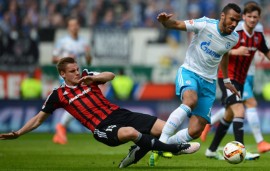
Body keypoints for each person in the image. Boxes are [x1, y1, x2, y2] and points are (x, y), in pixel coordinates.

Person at [0, 57, 200, 168]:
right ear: (62, 74)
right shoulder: (58, 95)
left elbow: (110, 75)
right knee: (130, 132)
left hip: (119, 113)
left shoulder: (88, 77)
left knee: (164, 128)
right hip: (101, 127)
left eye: (77, 69)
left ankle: (140, 149)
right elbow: (38, 119)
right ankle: (175, 149)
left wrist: (94, 79)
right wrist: (18, 133)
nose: (77, 73)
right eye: (72, 71)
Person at [148, 3, 242, 166]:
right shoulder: (205, 24)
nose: (234, 24)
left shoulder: (234, 38)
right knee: (190, 101)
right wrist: (165, 22)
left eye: (237, 21)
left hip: (209, 83)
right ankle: (161, 144)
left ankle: (166, 144)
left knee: (196, 130)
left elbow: (224, 55)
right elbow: (176, 24)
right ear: (222, 16)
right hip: (190, 72)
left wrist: (226, 80)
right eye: (232, 19)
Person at [204, 2, 270, 160]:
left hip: (241, 80)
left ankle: (211, 150)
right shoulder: (234, 33)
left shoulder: (257, 37)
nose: (252, 19)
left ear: (259, 19)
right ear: (243, 17)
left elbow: (267, 51)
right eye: (249, 16)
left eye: (255, 17)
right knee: (240, 111)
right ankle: (240, 151)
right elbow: (219, 49)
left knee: (229, 116)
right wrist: (236, 51)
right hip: (227, 78)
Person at [52, 17, 92, 145]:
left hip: (77, 77)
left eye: (76, 25)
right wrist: (66, 58)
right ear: (68, 28)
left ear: (78, 27)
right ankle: (61, 127)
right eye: (71, 25)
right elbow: (54, 59)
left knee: (75, 104)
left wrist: (87, 54)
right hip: (66, 77)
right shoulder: (63, 42)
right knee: (77, 103)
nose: (74, 27)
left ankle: (60, 128)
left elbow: (89, 61)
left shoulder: (83, 42)